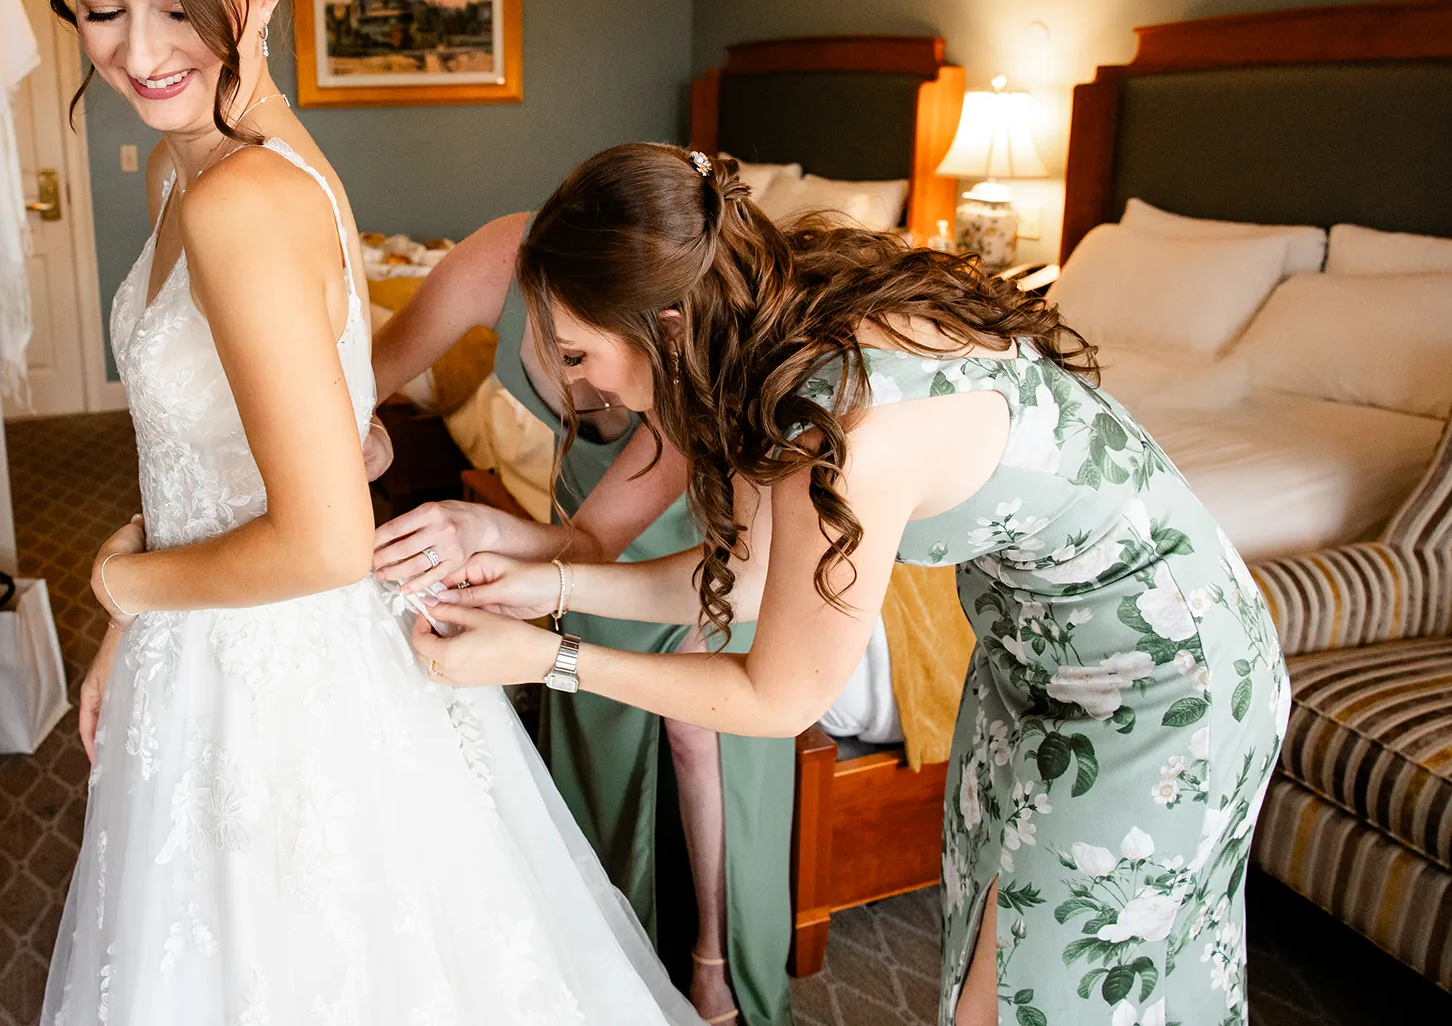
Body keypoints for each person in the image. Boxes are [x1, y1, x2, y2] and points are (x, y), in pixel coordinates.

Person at [42, 0, 703, 1024]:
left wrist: (126, 590)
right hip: (230, 635)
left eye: (179, 1)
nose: (139, 51)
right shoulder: (215, 159)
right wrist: (135, 630)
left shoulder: (244, 197)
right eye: (99, 7)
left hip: (271, 658)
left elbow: (328, 537)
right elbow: (217, 441)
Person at [413, 143, 1290, 1026]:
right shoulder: (775, 339)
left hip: (1169, 685)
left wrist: (546, 656)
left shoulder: (845, 430)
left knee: (1026, 1001)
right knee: (1004, 971)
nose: (575, 386)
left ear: (669, 326)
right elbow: (741, 585)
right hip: (1032, 667)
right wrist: (550, 586)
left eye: (576, 354)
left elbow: (777, 694)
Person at [367, 213, 792, 1026]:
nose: (586, 387)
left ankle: (720, 973)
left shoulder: (723, 362)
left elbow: (738, 587)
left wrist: (540, 600)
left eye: (578, 356)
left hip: (705, 554)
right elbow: (592, 537)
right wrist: (479, 525)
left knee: (703, 743)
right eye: (560, 354)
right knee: (595, 801)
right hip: (592, 558)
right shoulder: (502, 259)